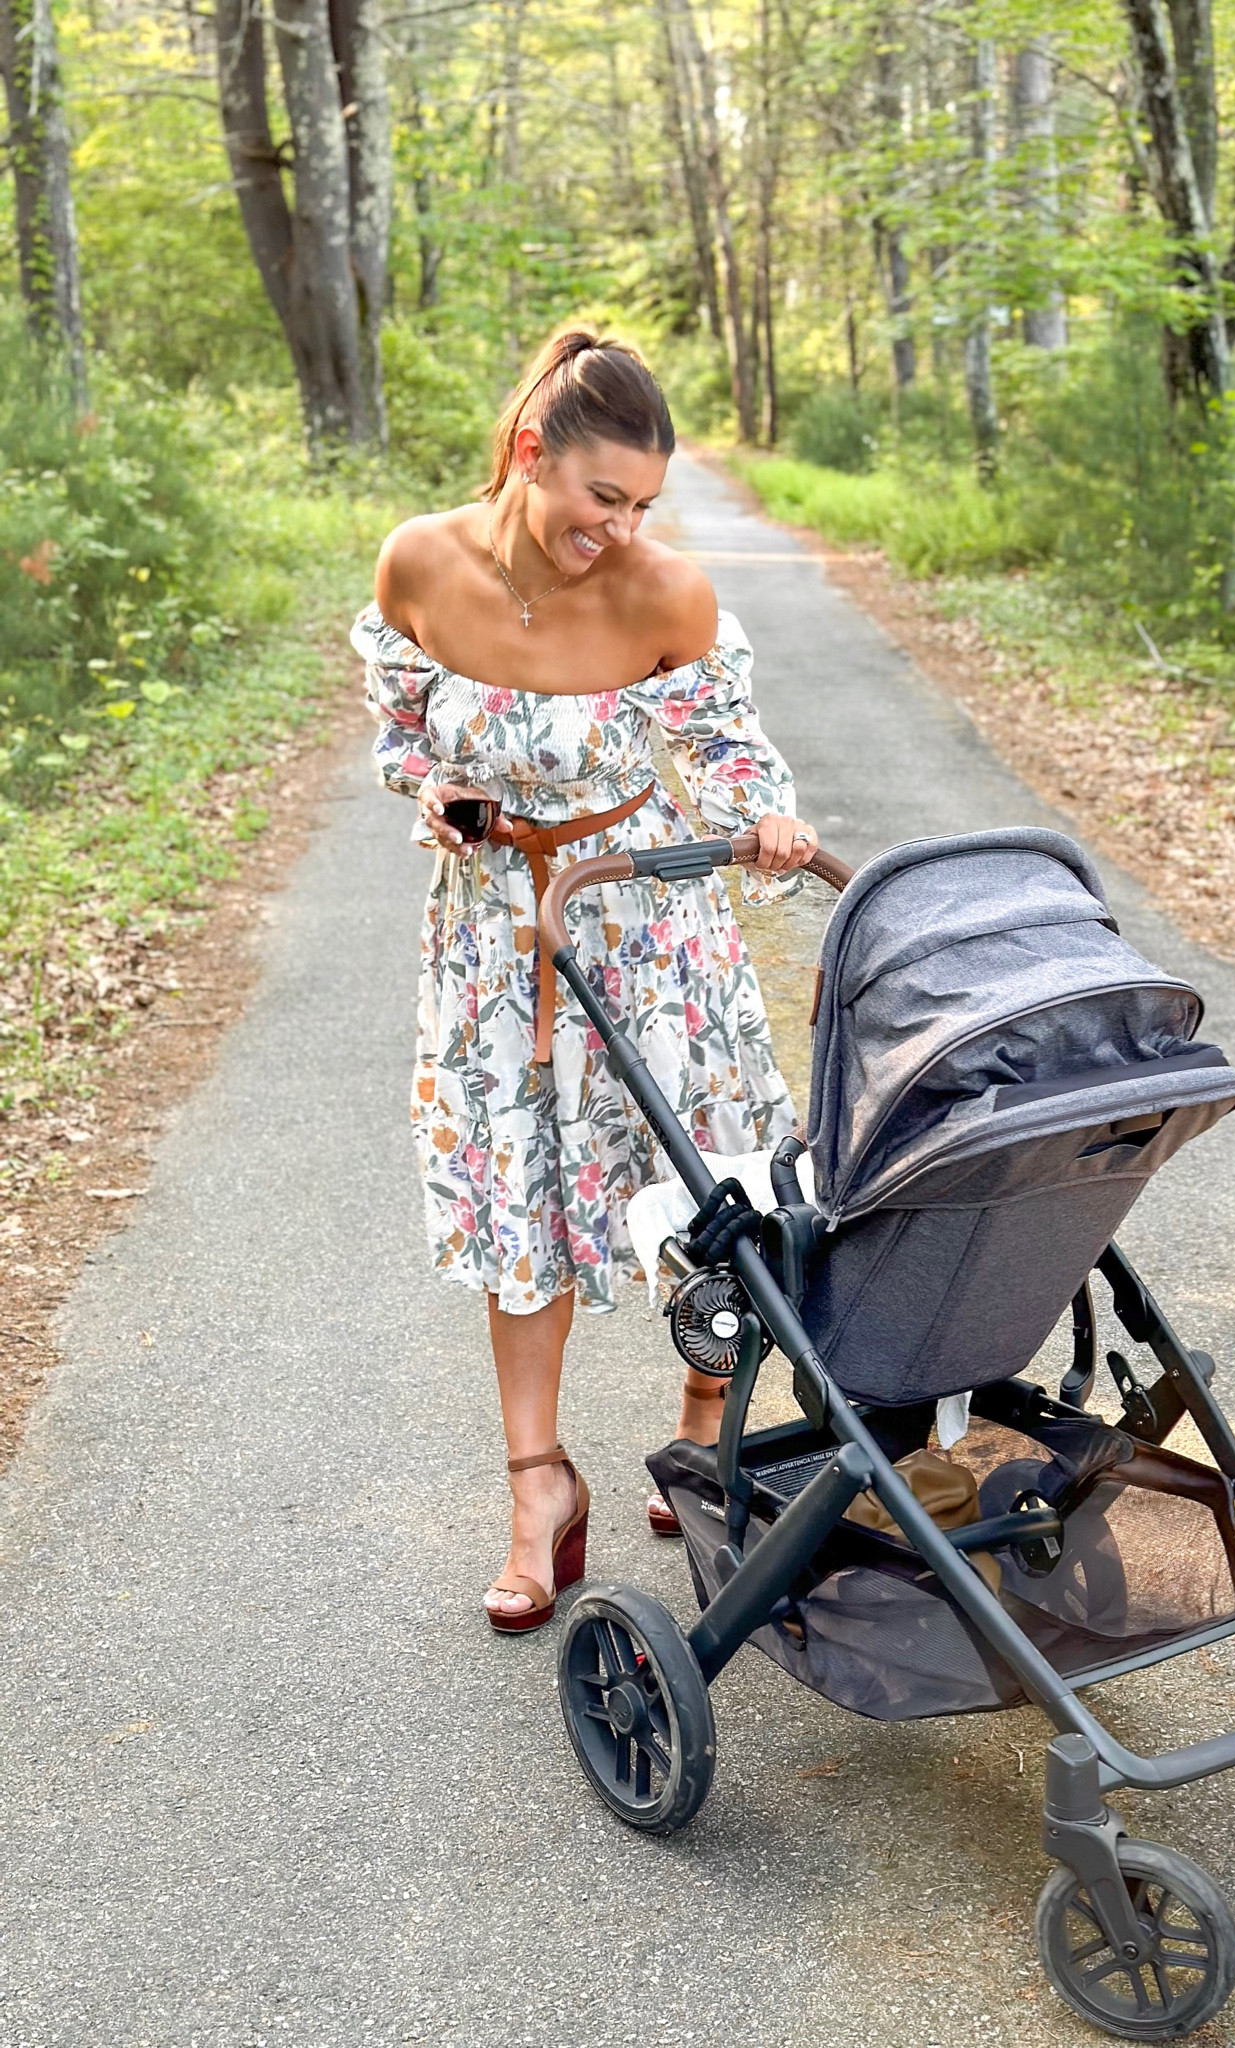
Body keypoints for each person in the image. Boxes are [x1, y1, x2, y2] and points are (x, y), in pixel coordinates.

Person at [353, 324, 816, 1633]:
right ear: (529, 454)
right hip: (494, 934)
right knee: (522, 1203)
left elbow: (727, 751)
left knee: (700, 1184)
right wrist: (436, 792)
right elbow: (401, 733)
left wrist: (764, 818)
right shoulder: (420, 563)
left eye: (642, 506)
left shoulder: (663, 593)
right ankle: (538, 1492)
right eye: (601, 498)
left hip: (640, 919)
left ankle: (706, 1424)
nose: (617, 530)